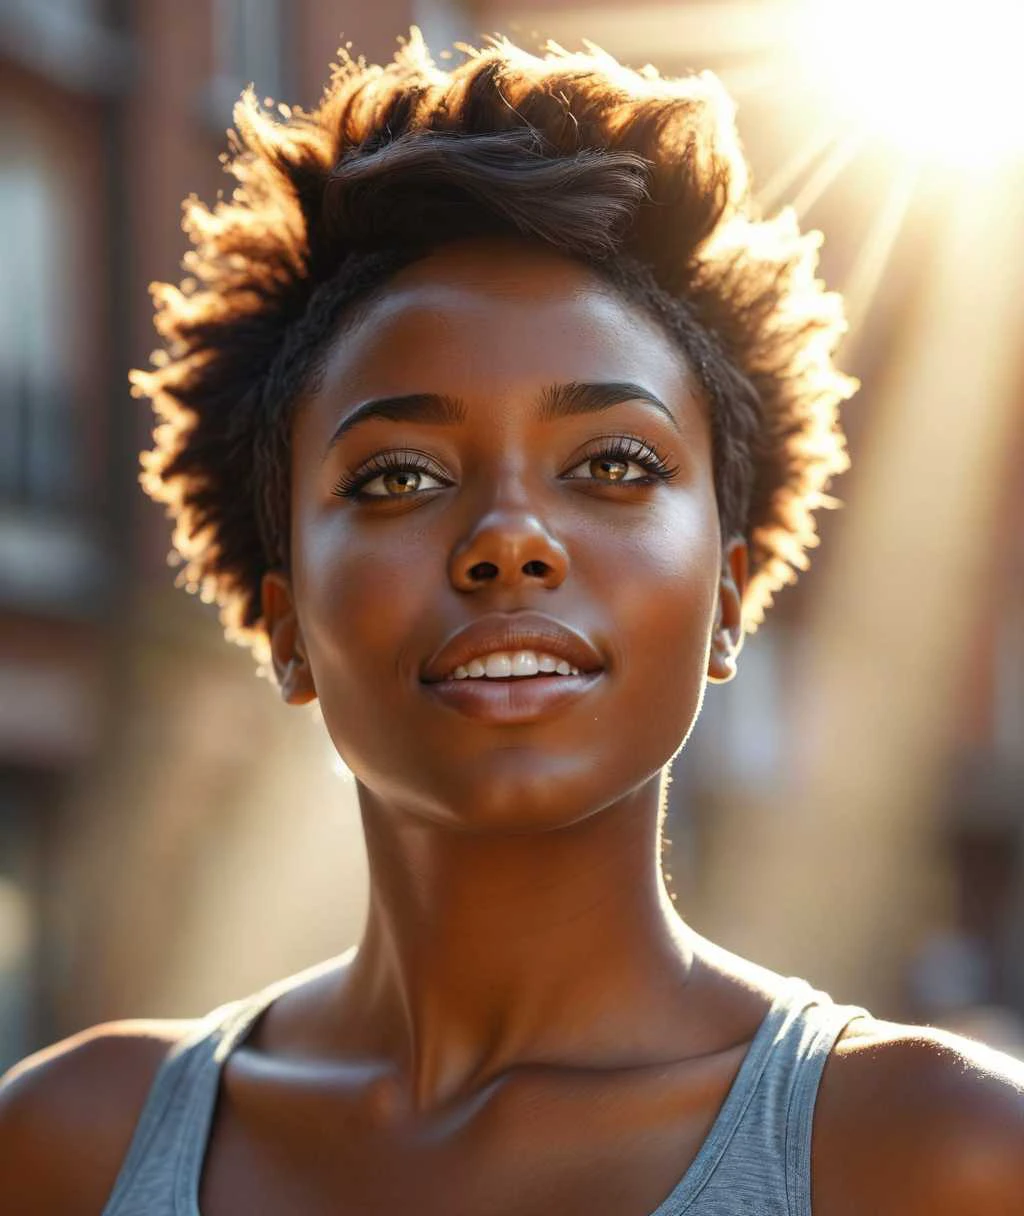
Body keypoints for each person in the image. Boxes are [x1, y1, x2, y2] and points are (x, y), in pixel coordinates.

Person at [2, 29, 1022, 1216]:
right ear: (283, 625)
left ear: (729, 597)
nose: (508, 535)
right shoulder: (71, 1144)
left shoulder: (934, 1157)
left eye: (615, 462)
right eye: (396, 477)